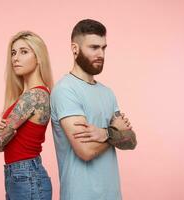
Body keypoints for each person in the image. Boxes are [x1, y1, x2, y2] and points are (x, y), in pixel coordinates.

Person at [50, 19, 137, 200]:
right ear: (75, 49)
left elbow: (130, 141)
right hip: (81, 194)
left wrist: (105, 133)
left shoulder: (108, 93)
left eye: (104, 48)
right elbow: (86, 151)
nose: (101, 54)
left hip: (112, 194)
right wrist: (113, 133)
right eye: (94, 47)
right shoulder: (65, 90)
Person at [0, 31, 53, 200]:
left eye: (24, 52)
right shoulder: (27, 96)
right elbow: (1, 143)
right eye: (13, 52)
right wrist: (2, 137)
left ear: (38, 57)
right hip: (20, 176)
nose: (15, 58)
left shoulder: (34, 96)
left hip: (26, 175)